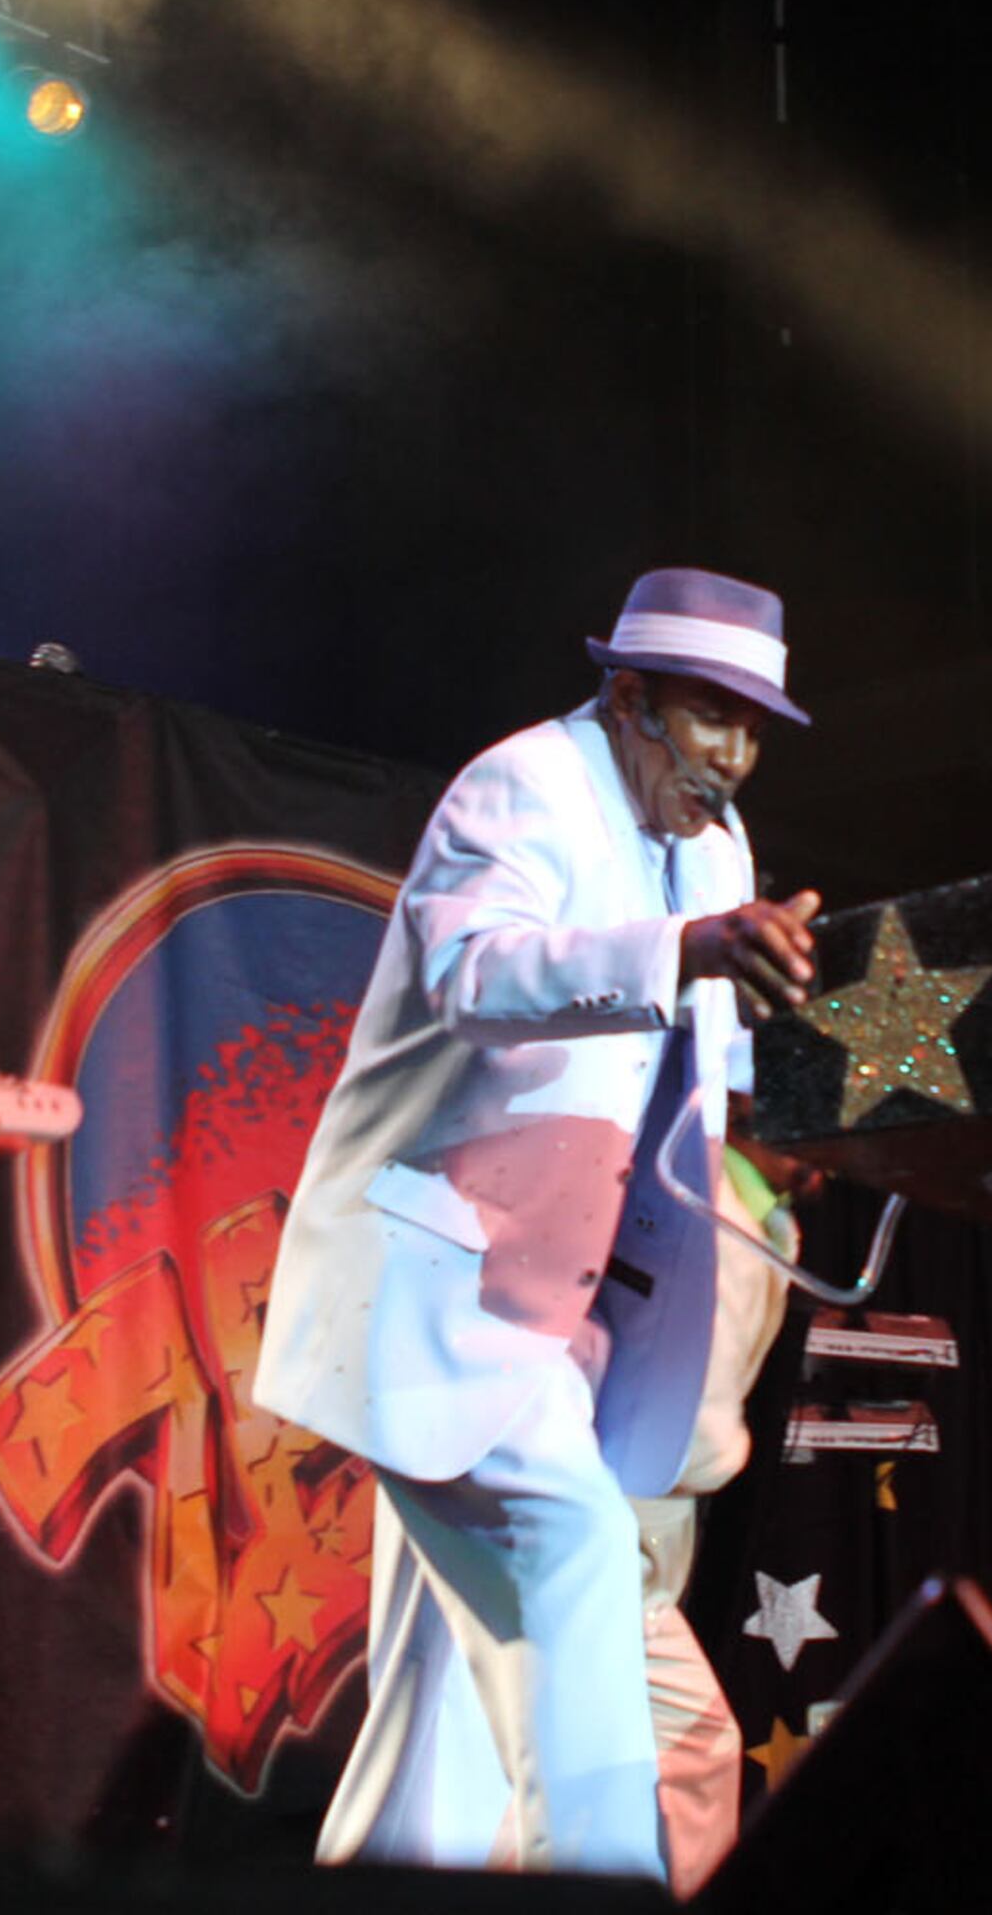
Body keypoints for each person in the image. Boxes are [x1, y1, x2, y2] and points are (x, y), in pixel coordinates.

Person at [257, 567, 824, 1879]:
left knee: (440, 1714)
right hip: (439, 1283)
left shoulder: (720, 849)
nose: (733, 755)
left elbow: (721, 1070)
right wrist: (680, 948)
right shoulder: (521, 784)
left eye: (754, 728)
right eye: (707, 716)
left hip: (559, 1319)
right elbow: (475, 973)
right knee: (569, 1547)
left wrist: (852, 1055)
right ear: (626, 694)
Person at [639, 1113, 809, 1892]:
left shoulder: (754, 1218)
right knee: (692, 1750)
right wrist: (728, 1451)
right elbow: (698, 1444)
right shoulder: (714, 1219)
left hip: (639, 1532)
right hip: (611, 1528)